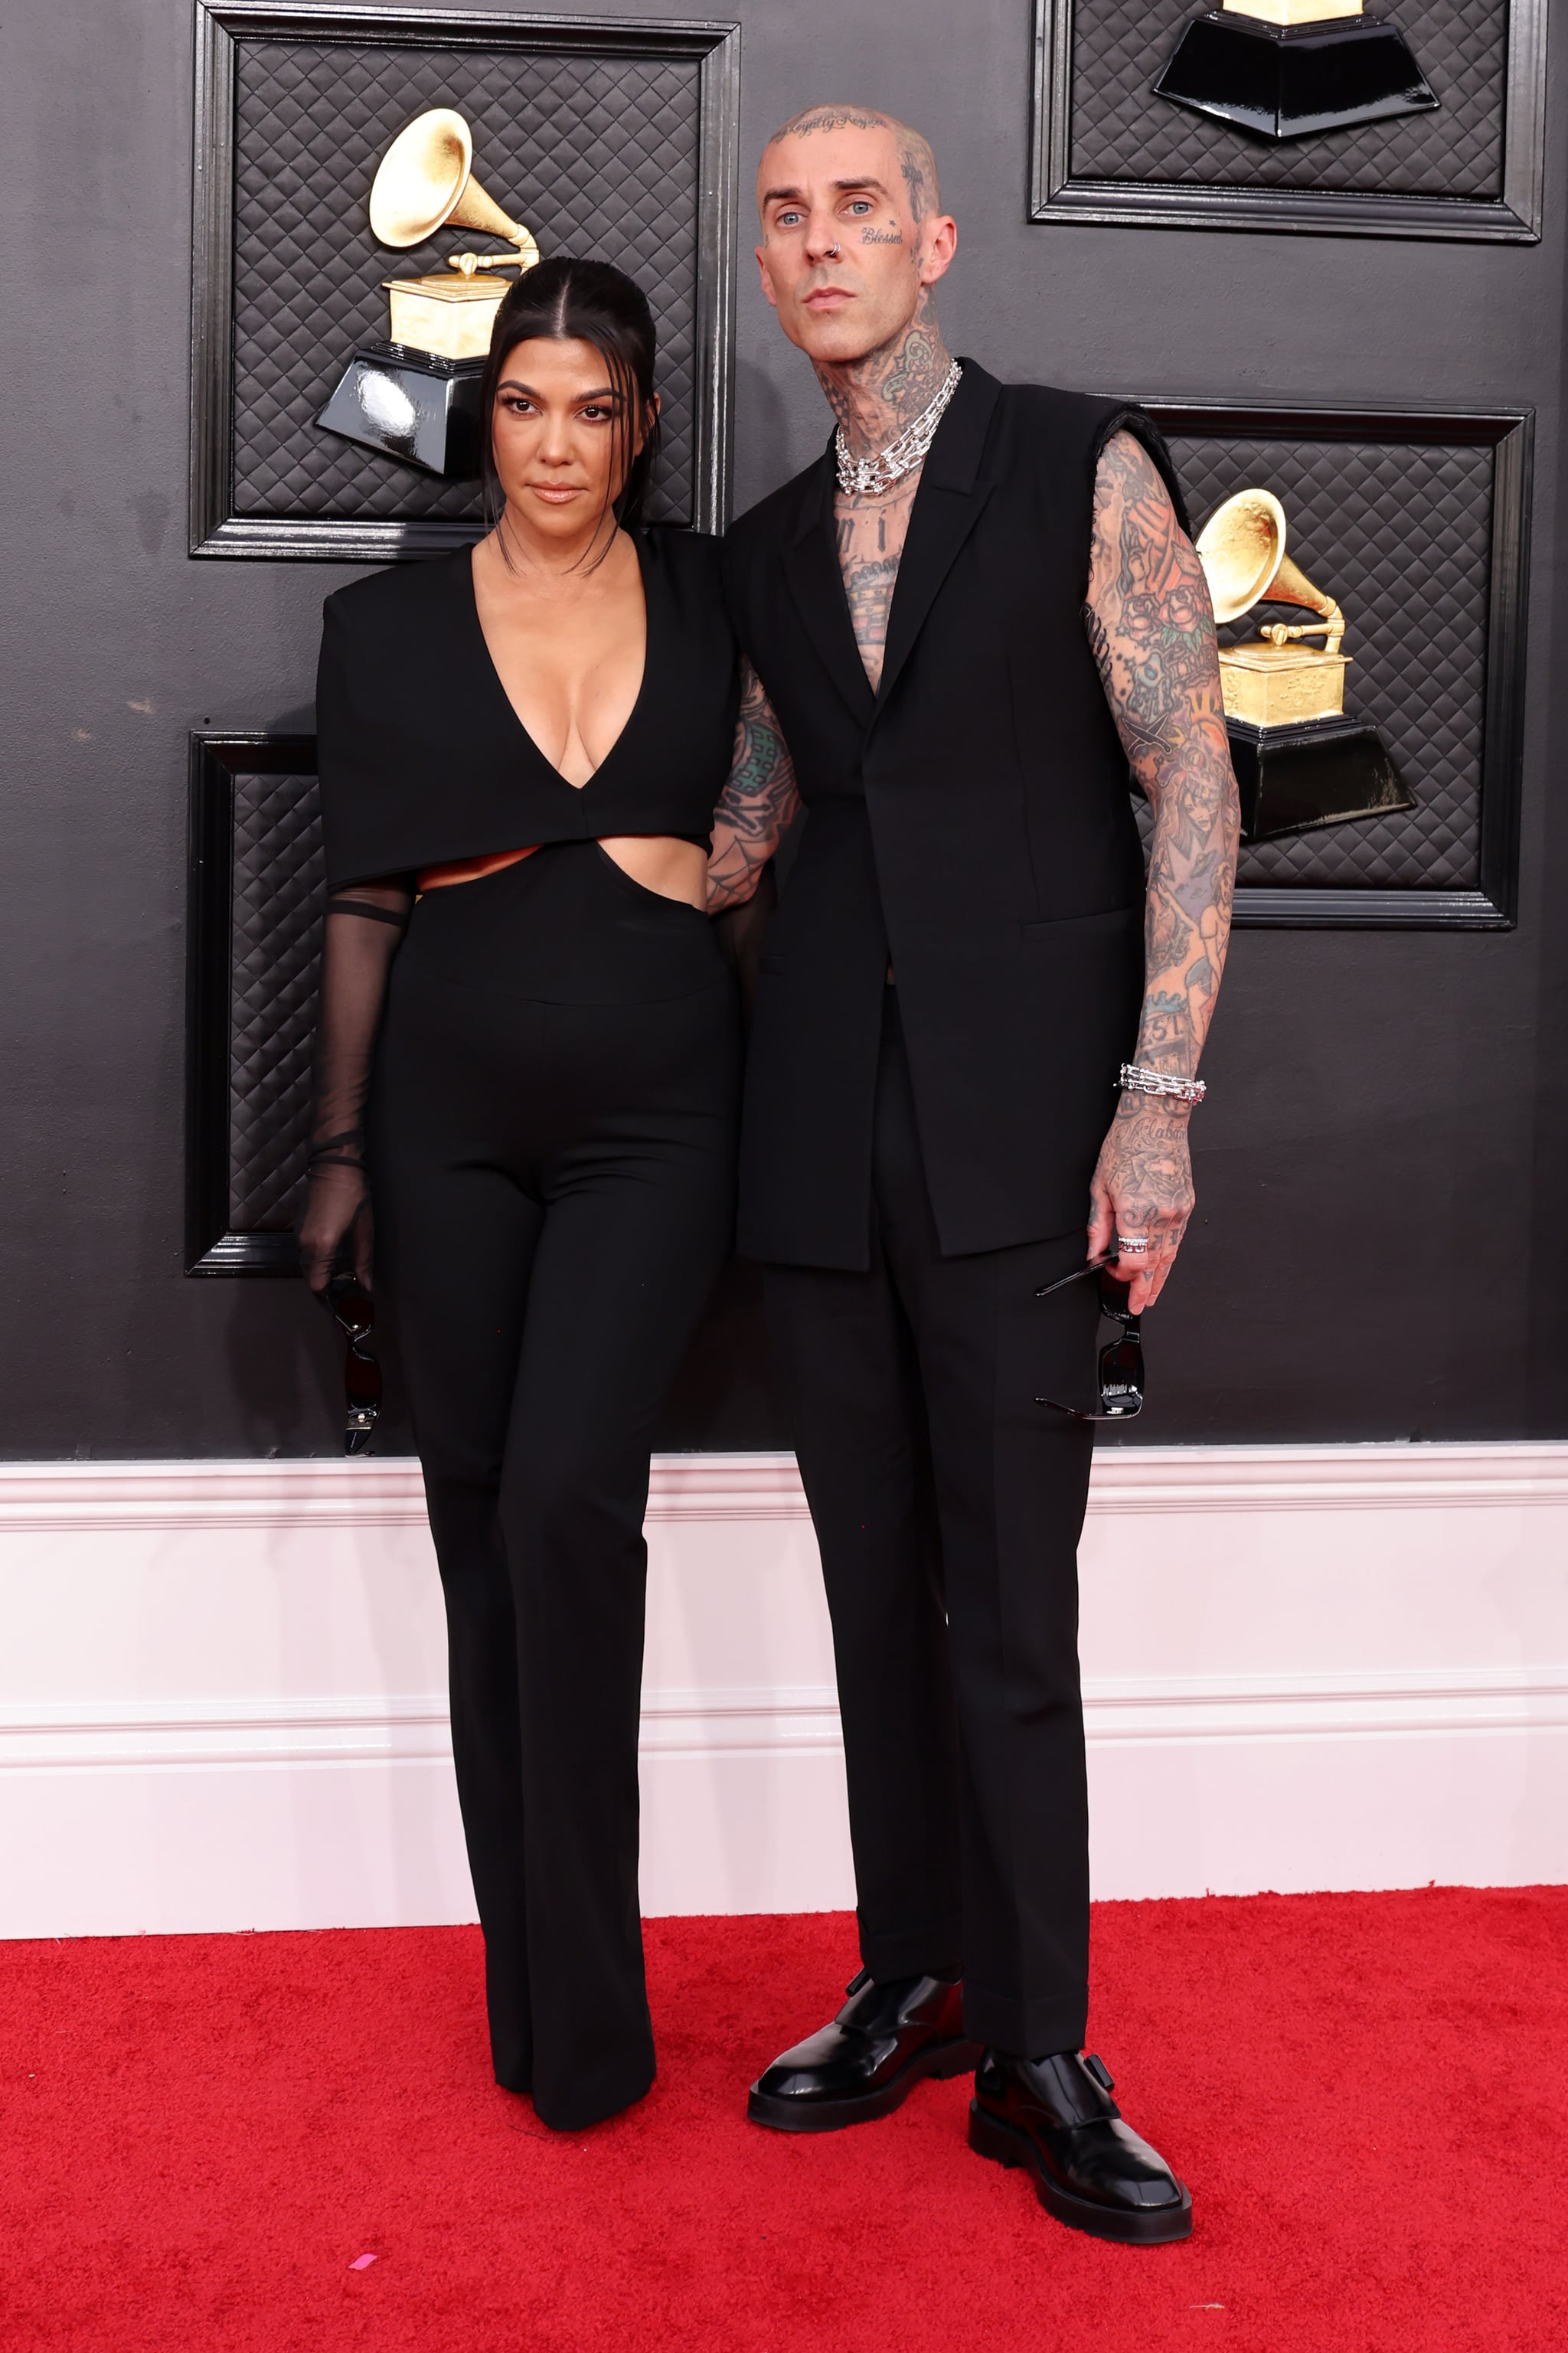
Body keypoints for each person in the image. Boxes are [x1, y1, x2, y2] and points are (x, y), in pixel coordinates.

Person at [707, 106, 1240, 2244]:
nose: (821, 246)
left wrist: (1161, 1097)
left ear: (930, 239)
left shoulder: (1081, 462)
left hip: (1034, 1131)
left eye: (855, 210)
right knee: (870, 1595)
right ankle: (913, 1972)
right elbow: (746, 830)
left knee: (1012, 1610)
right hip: (820, 1128)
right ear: (769, 267)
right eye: (785, 218)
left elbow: (1192, 768)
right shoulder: (755, 550)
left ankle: (1039, 2046)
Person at [298, 258, 744, 2133]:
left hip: (662, 1109)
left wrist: (722, 862)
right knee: (484, 1538)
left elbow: (818, 806)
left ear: (637, 426)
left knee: (571, 1500)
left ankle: (601, 1993)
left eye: (592, 407)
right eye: (524, 403)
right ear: (484, 417)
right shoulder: (381, 627)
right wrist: (334, 1151)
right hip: (446, 1116)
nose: (556, 442)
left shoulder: (723, 595)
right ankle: (544, 2011)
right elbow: (359, 902)